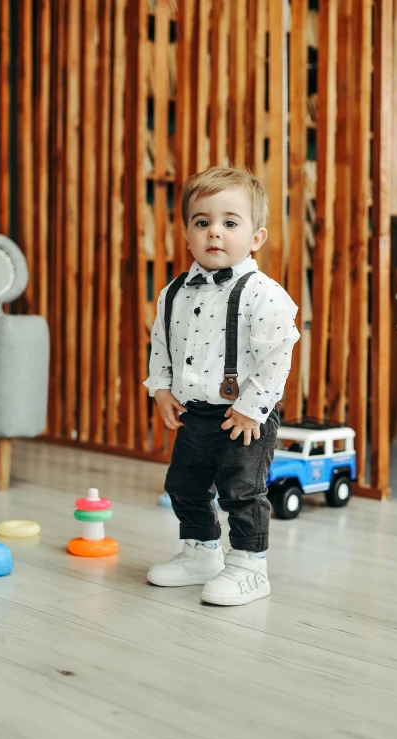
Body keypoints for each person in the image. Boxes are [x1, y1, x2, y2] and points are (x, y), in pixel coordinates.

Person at [144, 167, 300, 605]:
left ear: (256, 237)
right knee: (184, 485)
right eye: (202, 222)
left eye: (230, 222)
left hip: (243, 416)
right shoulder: (172, 292)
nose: (215, 232)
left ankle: (250, 566)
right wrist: (161, 388)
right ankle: (201, 552)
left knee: (242, 491)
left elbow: (278, 355)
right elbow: (162, 344)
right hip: (195, 413)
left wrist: (254, 407)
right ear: (186, 234)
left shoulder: (263, 293)